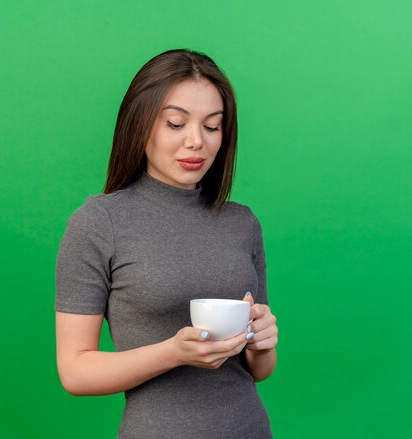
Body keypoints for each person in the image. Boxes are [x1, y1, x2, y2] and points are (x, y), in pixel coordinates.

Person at [55, 49, 278, 438]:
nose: (197, 142)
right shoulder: (98, 224)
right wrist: (172, 353)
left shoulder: (243, 223)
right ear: (140, 124)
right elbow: (75, 371)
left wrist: (263, 342)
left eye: (212, 126)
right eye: (175, 123)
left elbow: (258, 370)